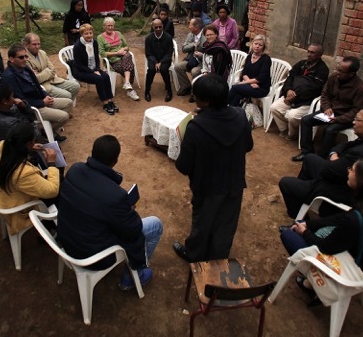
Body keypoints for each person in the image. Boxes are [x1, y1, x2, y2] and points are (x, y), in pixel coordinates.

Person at [58, 135, 163, 291]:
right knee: (155, 224)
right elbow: (132, 230)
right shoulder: (116, 196)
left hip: (65, 240)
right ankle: (132, 277)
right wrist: (129, 211)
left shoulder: (75, 169)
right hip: (90, 255)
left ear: (92, 152)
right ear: (115, 161)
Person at [280, 159, 363, 295]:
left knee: (288, 234)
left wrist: (304, 231)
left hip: (352, 273)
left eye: (352, 170)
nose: (348, 171)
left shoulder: (355, 220)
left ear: (361, 183)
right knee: (302, 223)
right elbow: (339, 219)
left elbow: (324, 247)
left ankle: (314, 285)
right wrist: (309, 224)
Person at [173, 74, 253, 262]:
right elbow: (248, 146)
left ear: (206, 101)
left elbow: (183, 166)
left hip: (207, 185)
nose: (194, 98)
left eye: (196, 95)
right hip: (234, 181)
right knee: (226, 222)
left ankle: (194, 254)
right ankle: (218, 258)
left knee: (202, 222)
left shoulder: (195, 127)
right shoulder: (240, 116)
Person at [279, 105, 363, 218]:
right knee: (310, 158)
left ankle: (302, 219)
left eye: (358, 120)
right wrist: (334, 154)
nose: (353, 122)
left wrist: (334, 161)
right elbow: (344, 145)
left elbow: (329, 172)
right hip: (345, 178)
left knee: (286, 183)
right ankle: (304, 198)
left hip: (349, 193)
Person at [0, 122, 60, 235]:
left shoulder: (2, 145)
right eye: (33, 140)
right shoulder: (23, 173)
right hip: (20, 209)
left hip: (4, 195)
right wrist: (51, 164)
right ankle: (51, 228)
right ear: (28, 143)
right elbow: (52, 191)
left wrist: (29, 149)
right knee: (62, 190)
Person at [293, 56, 363, 161]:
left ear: (351, 74)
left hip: (344, 117)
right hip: (329, 112)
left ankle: (320, 158)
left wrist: (338, 119)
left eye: (341, 71)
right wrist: (327, 107)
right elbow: (325, 94)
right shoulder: (334, 77)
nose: (337, 72)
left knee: (330, 130)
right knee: (306, 120)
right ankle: (306, 152)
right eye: (337, 68)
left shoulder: (359, 88)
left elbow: (356, 111)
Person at [1, 44, 72, 142]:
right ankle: (43, 131)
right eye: (21, 57)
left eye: (26, 56)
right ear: (11, 59)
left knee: (68, 102)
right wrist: (42, 103)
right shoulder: (9, 77)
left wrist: (46, 96)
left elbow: (37, 86)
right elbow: (20, 100)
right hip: (32, 108)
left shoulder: (25, 68)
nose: (25, 59)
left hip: (41, 100)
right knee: (64, 117)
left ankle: (47, 130)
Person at [270, 44, 330, 140]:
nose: (309, 54)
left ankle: (292, 133)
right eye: (308, 51)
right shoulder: (302, 64)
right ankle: (285, 129)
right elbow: (290, 77)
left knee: (292, 116)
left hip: (305, 101)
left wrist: (295, 96)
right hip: (290, 96)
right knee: (274, 107)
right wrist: (288, 90)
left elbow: (314, 89)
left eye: (312, 52)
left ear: (320, 55)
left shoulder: (323, 70)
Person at [72, 23, 119, 115]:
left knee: (105, 76)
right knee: (99, 78)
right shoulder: (77, 46)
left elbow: (97, 59)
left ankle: (110, 100)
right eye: (86, 34)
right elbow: (79, 65)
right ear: (82, 34)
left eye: (90, 33)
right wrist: (93, 71)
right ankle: (105, 103)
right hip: (80, 71)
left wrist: (97, 69)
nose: (89, 35)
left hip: (93, 68)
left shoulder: (94, 43)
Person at [22, 33, 79, 101]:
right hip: (43, 86)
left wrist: (42, 73)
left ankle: (65, 105)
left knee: (75, 86)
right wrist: (47, 71)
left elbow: (53, 70)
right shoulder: (24, 58)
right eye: (34, 44)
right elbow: (35, 79)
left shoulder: (42, 53)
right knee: (67, 95)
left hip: (53, 80)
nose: (37, 46)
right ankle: (60, 106)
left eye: (38, 44)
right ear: (26, 45)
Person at [97, 17, 139, 101]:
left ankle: (127, 83)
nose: (110, 27)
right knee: (130, 66)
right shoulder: (100, 37)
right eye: (108, 26)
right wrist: (117, 53)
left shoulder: (118, 33)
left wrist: (123, 49)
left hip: (124, 57)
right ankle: (129, 89)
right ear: (104, 26)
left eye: (112, 25)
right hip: (112, 61)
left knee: (127, 56)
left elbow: (126, 46)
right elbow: (102, 53)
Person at [227, 34, 272, 107]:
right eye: (255, 44)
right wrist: (250, 83)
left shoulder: (266, 59)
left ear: (263, 47)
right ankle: (232, 113)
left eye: (260, 45)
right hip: (251, 85)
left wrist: (243, 83)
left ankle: (221, 106)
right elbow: (244, 73)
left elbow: (261, 78)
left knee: (235, 87)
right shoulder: (250, 56)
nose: (257, 46)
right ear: (252, 44)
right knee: (237, 95)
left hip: (261, 88)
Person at [174, 18, 206, 96]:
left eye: (190, 24)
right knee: (178, 67)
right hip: (191, 60)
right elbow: (184, 49)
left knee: (194, 71)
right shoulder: (191, 35)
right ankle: (186, 86)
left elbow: (210, 55)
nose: (188, 26)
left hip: (202, 63)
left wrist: (200, 55)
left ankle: (194, 92)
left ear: (196, 27)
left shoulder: (206, 36)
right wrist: (193, 45)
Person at [144, 18, 174, 102]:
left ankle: (169, 91)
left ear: (163, 26)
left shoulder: (168, 38)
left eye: (160, 27)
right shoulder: (149, 38)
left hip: (165, 60)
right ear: (152, 27)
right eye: (155, 27)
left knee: (164, 69)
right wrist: (155, 62)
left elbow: (169, 53)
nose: (158, 29)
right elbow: (148, 53)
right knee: (151, 70)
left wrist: (161, 62)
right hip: (153, 59)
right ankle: (147, 91)